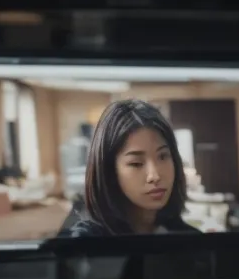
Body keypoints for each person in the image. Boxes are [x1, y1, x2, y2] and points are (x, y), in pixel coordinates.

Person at [65, 99, 200, 237]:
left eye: (163, 156)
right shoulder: (85, 248)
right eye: (136, 163)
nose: (154, 175)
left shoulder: (193, 244)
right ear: (109, 171)